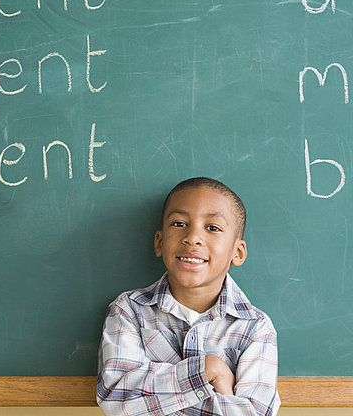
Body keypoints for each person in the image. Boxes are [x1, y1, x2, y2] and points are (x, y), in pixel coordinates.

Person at [97, 177, 281, 416]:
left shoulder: (255, 328)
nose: (193, 237)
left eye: (212, 228)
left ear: (237, 253)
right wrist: (208, 371)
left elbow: (255, 413)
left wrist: (153, 395)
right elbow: (116, 396)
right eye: (179, 224)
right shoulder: (129, 311)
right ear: (160, 242)